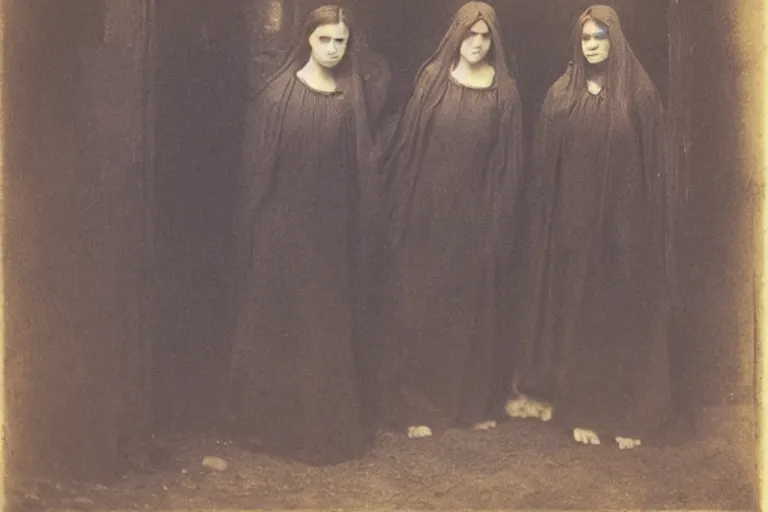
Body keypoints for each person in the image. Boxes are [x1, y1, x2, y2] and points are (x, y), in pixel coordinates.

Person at [508, 5, 675, 450]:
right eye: (586, 38)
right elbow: (545, 174)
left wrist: (645, 230)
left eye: (601, 36)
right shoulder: (561, 96)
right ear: (578, 44)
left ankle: (627, 417)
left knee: (622, 319)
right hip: (575, 231)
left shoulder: (638, 95)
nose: (594, 44)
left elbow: (655, 169)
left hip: (626, 232)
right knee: (579, 316)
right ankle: (580, 413)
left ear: (615, 40)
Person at [228, 4, 382, 465]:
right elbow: (257, 172)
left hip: (329, 233)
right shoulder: (279, 96)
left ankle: (321, 431)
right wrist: (255, 233)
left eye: (341, 42)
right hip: (280, 228)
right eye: (325, 40)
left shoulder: (351, 96)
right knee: (277, 323)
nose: (334, 50)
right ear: (307, 40)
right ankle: (270, 429)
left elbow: (360, 171)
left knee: (323, 327)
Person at [374, 1, 524, 438]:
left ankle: (467, 405)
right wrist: (400, 216)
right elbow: (406, 152)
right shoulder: (431, 81)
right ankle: (416, 407)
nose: (477, 44)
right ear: (456, 36)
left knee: (470, 314)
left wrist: (495, 228)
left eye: (485, 37)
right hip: (424, 218)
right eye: (470, 35)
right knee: (418, 311)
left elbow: (508, 167)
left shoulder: (505, 92)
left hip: (473, 223)